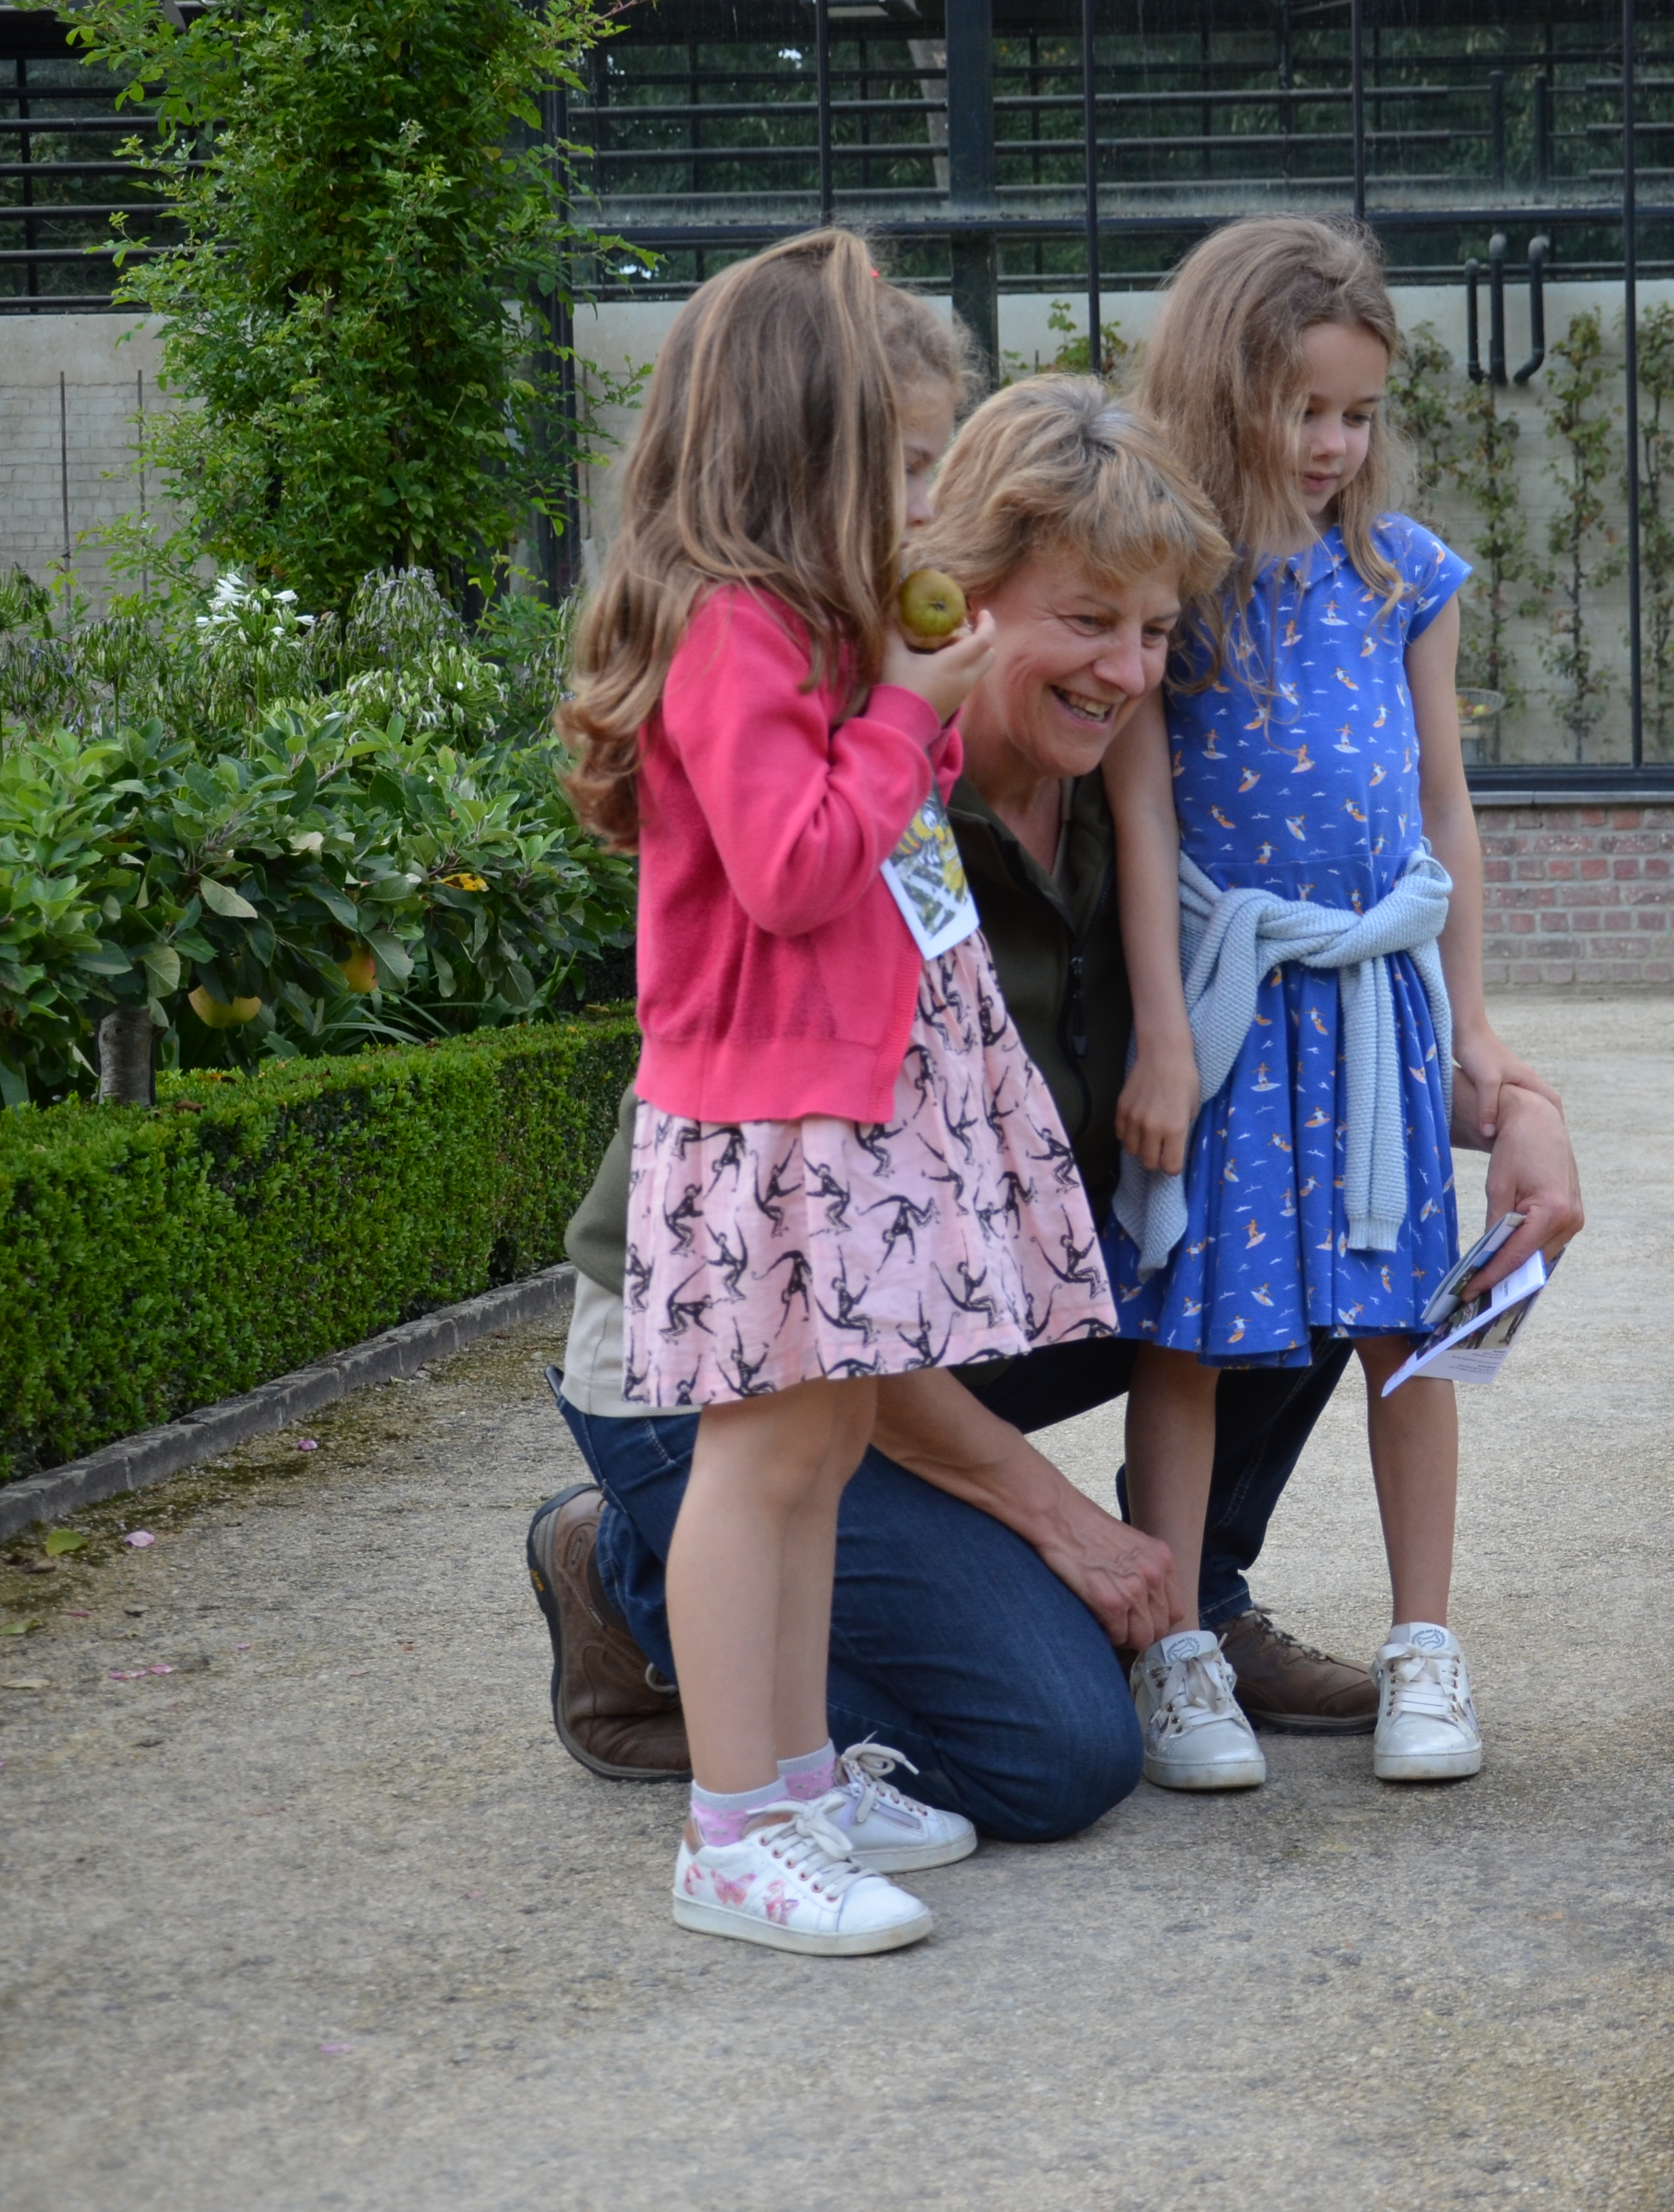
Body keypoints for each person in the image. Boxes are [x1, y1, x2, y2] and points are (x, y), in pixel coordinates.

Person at [529, 374, 1587, 1853]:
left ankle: (1193, 1612)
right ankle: (634, 1583)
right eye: (1084, 622)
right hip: (729, 1353)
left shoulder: (1131, 812)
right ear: (957, 599)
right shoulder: (875, 802)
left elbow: (1306, 1045)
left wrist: (1515, 1098)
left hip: (948, 1308)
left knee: (1278, 1228)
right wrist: (1054, 1516)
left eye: (1156, 634)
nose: (1127, 672)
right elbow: (826, 1258)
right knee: (1051, 1755)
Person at [552, 230, 1126, 1957]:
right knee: (763, 1461)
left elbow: (867, 818)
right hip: (765, 1122)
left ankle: (793, 1774)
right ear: (794, 450)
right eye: (900, 461)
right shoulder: (733, 631)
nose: (924, 497)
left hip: (832, 1110)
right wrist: (899, 703)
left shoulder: (804, 629)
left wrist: (896, 699)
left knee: (808, 1453)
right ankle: (736, 1831)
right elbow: (801, 868)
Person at [1103, 216, 1540, 1795]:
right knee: (1193, 1334)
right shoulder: (1174, 587)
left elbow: (1446, 803)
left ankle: (1426, 1644)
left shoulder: (1399, 575)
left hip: (1378, 1013)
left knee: (1404, 1332)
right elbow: (1142, 820)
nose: (1331, 444)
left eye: (1356, 413)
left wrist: (1474, 1026)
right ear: (1221, 391)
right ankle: (1176, 1652)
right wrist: (1164, 1034)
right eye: (1301, 410)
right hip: (1235, 1017)